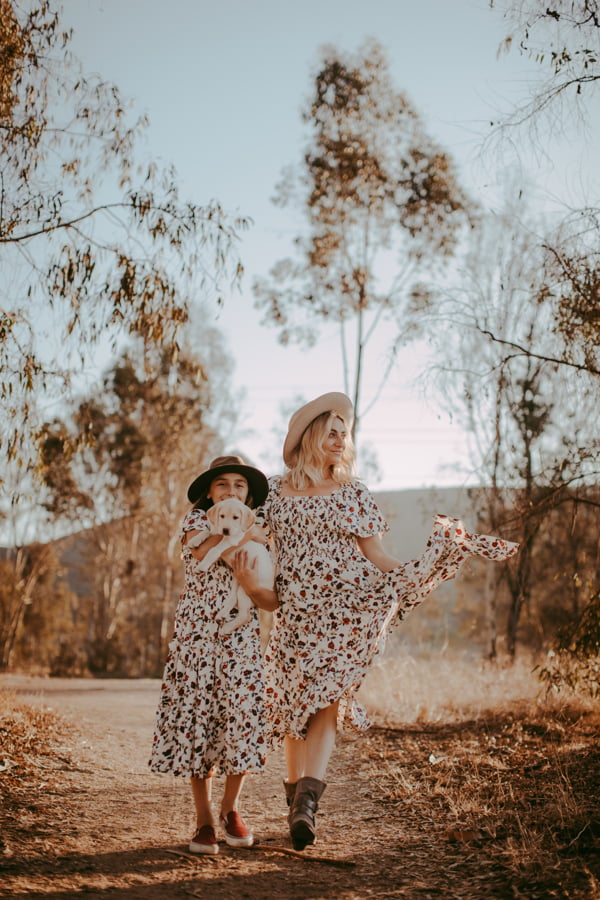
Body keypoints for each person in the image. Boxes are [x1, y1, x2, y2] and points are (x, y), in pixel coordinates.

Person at [256, 392, 519, 851]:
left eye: (345, 433)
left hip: (346, 612)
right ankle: (295, 798)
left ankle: (307, 805)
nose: (340, 440)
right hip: (295, 617)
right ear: (312, 436)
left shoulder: (354, 493)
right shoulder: (276, 493)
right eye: (332, 432)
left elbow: (375, 555)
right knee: (293, 710)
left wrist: (412, 575)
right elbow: (254, 541)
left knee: (328, 701)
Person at [149, 455, 279, 855]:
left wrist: (251, 579)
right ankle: (204, 818)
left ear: (249, 494)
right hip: (197, 637)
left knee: (240, 716)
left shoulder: (263, 533)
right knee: (198, 719)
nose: (231, 491)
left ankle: (230, 808)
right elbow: (216, 546)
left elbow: (271, 598)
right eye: (222, 484)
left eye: (239, 485)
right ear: (209, 492)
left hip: (240, 636)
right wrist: (254, 539)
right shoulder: (196, 522)